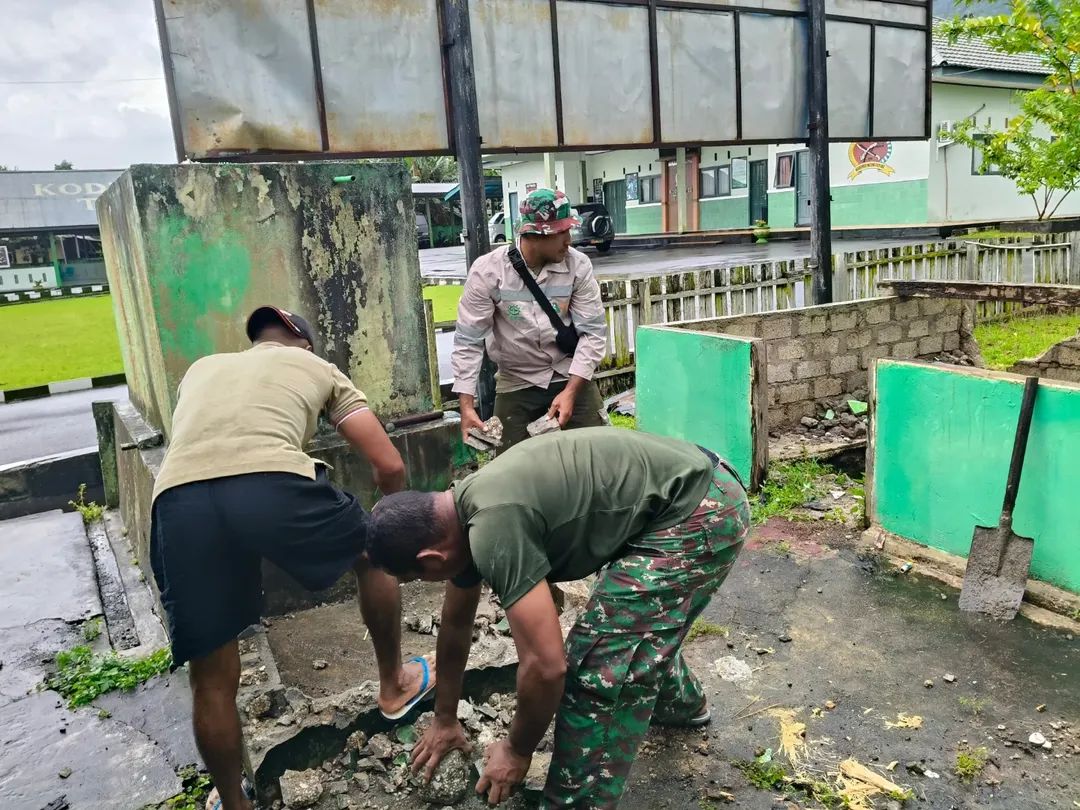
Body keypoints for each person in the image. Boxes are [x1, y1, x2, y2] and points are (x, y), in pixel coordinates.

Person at [365, 428, 751, 808]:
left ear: (432, 559)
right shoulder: (459, 513)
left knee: (598, 664)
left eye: (417, 578)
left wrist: (517, 750)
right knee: (625, 625)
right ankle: (680, 706)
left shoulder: (493, 527)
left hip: (700, 509)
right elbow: (455, 624)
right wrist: (444, 719)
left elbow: (547, 668)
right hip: (680, 494)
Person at [150, 306, 435, 810]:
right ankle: (393, 687)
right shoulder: (316, 366)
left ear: (256, 340)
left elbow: (209, 452)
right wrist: (385, 521)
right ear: (303, 342)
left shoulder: (202, 369)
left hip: (177, 499)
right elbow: (389, 463)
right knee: (372, 554)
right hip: (271, 479)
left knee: (210, 673)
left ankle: (232, 802)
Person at [452, 188, 608, 449]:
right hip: (517, 379)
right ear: (534, 235)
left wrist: (570, 392)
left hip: (569, 373)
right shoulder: (488, 272)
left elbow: (593, 333)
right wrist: (466, 406)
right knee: (511, 463)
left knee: (596, 452)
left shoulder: (578, 266)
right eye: (561, 233)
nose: (569, 240)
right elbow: (469, 340)